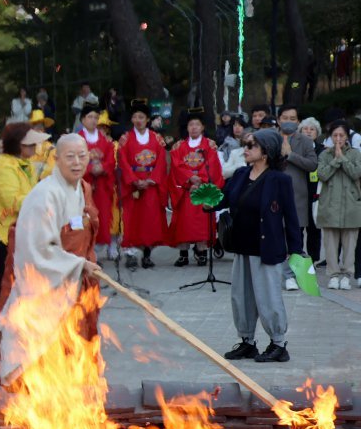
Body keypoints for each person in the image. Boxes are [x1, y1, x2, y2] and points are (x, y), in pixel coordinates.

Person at [0, 134, 102, 384]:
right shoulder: (44, 195)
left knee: (75, 355)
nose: (77, 162)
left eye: (82, 156)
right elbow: (38, 249)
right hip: (45, 289)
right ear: (56, 159)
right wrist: (78, 264)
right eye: (70, 156)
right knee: (42, 357)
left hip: (74, 286)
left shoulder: (81, 189)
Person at [222, 130, 302, 364]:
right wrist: (205, 199)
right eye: (245, 144)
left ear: (266, 152)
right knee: (241, 297)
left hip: (267, 248)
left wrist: (296, 249)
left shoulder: (280, 180)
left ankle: (278, 344)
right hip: (241, 246)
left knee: (268, 298)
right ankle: (247, 342)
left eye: (251, 146)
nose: (245, 149)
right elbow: (225, 199)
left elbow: (291, 216)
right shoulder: (240, 174)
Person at [0, 123, 43, 308]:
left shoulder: (28, 165)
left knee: (23, 287)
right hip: (3, 238)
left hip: (23, 234)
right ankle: (0, 331)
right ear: (18, 144)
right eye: (30, 144)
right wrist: (43, 202)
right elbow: (12, 200)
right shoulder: (3, 166)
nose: (35, 147)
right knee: (5, 287)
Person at [169, 108, 224, 266]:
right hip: (186, 191)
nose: (193, 127)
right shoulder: (179, 147)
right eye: (191, 124)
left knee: (202, 222)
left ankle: (202, 252)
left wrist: (199, 180)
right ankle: (183, 253)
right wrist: (189, 179)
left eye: (197, 124)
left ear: (202, 127)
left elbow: (212, 165)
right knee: (184, 223)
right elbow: (176, 166)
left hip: (203, 190)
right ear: (187, 128)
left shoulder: (209, 146)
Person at [119, 99, 168, 269]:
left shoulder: (157, 138)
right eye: (135, 117)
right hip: (134, 184)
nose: (138, 120)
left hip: (150, 184)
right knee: (132, 218)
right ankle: (130, 253)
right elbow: (123, 162)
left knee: (149, 219)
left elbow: (161, 161)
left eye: (141, 117)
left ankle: (147, 254)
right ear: (132, 119)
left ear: (147, 119)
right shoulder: (125, 139)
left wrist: (151, 179)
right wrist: (134, 180)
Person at [276, 104, 318, 289]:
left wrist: (291, 155)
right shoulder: (270, 137)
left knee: (295, 237)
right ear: (278, 120)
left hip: (297, 196)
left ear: (298, 121)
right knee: (275, 235)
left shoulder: (305, 141)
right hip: (274, 195)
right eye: (285, 118)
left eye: (293, 119)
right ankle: (278, 273)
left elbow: (312, 164)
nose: (289, 122)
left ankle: (292, 275)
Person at [316, 120, 361, 290]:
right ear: (330, 137)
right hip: (330, 205)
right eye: (335, 135)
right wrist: (335, 160)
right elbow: (322, 175)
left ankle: (347, 275)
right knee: (330, 243)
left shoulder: (356, 154)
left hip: (351, 205)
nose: (338, 139)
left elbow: (356, 172)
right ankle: (333, 275)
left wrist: (342, 158)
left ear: (347, 137)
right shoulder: (324, 155)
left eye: (341, 135)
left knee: (350, 244)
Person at [76, 104, 117, 258]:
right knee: (83, 217)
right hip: (82, 186)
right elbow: (73, 161)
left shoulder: (105, 141)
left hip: (101, 186)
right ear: (82, 119)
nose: (93, 120)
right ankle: (82, 250)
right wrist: (88, 169)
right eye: (90, 117)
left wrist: (103, 167)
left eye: (95, 117)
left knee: (101, 216)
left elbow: (111, 161)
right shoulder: (77, 139)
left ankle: (95, 253)